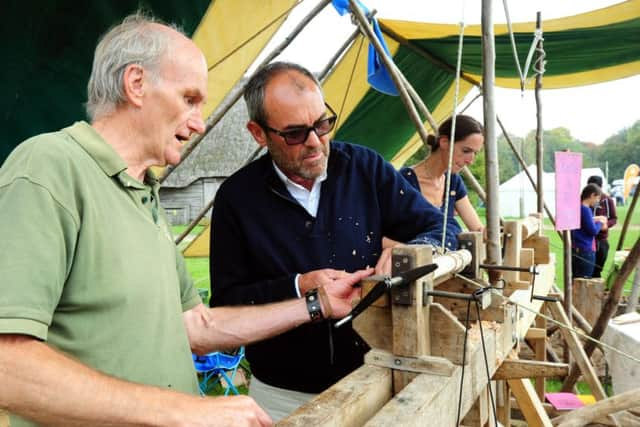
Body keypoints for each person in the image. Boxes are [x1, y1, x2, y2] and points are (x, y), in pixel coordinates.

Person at [0, 15, 371, 427]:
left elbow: (197, 324)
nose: (199, 122)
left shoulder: (144, 196)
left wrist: (317, 305)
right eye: (189, 99)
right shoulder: (50, 167)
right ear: (136, 84)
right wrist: (182, 410)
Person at [209, 61, 458, 421]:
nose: (314, 142)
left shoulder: (365, 168)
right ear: (258, 133)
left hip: (370, 377)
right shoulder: (237, 197)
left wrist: (412, 251)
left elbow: (441, 227)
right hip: (281, 393)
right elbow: (227, 305)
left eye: (322, 124)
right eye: (295, 133)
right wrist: (298, 287)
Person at [400, 115, 485, 236]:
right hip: (407, 253)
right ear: (444, 142)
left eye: (474, 153)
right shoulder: (403, 181)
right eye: (466, 151)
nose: (470, 161)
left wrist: (486, 232)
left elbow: (477, 229)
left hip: (441, 253)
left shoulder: (453, 182)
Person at [571, 183, 608, 279]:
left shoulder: (578, 207)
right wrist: (600, 222)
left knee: (576, 278)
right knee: (584, 280)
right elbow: (593, 231)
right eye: (597, 198)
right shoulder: (585, 209)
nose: (598, 201)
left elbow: (585, 222)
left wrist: (595, 219)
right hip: (585, 250)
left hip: (577, 248)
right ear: (592, 195)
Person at [586, 175, 617, 278]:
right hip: (587, 240)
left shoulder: (608, 200)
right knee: (586, 270)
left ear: (600, 187)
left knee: (597, 270)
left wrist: (606, 225)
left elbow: (614, 218)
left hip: (601, 240)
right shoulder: (584, 201)